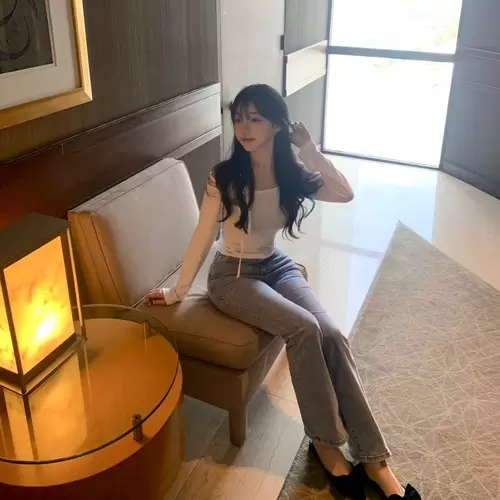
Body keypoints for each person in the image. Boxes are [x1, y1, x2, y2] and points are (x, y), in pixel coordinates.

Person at [146, 84, 420, 500]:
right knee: (304, 327)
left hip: (275, 264)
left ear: (276, 125)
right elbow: (203, 235)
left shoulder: (291, 173)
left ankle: (376, 461)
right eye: (239, 118)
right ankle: (326, 445)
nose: (244, 127)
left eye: (255, 119)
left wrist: (309, 149)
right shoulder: (225, 176)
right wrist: (178, 291)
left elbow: (344, 192)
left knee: (332, 333)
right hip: (232, 276)